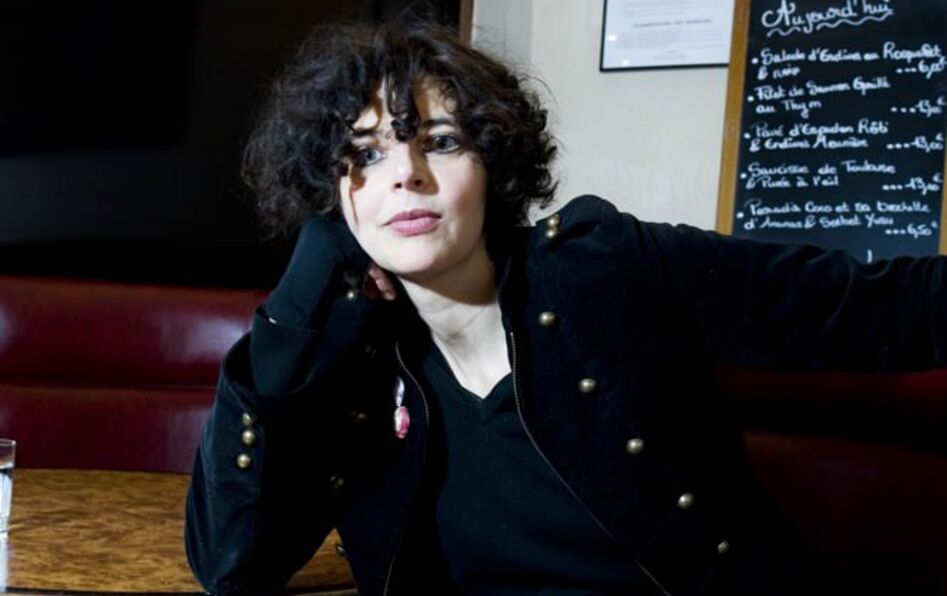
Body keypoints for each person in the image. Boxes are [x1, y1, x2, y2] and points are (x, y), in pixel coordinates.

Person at [184, 18, 947, 596]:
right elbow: (231, 565)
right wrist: (297, 302)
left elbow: (884, 306)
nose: (405, 174)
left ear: (492, 165)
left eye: (440, 142)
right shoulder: (353, 358)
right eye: (365, 153)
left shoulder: (600, 269)